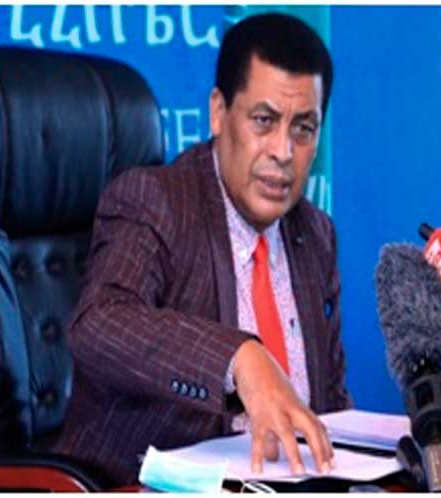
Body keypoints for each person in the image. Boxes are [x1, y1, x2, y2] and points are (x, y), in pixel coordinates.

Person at [48, 13, 352, 486]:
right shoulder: (156, 202)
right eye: (264, 121)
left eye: (303, 129)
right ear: (218, 112)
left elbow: (329, 400)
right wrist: (238, 359)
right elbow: (100, 322)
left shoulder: (315, 234)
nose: (283, 151)